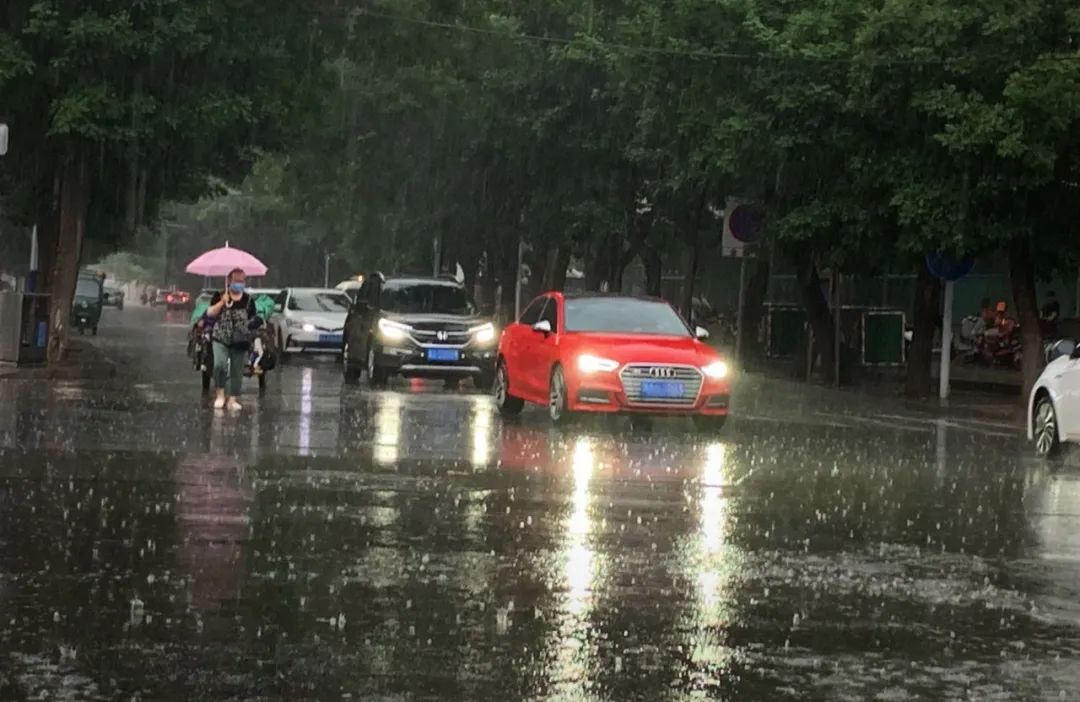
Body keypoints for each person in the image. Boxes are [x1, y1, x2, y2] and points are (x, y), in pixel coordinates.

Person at [205, 268, 261, 411]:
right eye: (236, 281)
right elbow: (210, 313)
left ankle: (233, 399)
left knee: (237, 370)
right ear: (229, 280)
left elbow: (253, 320)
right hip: (220, 337)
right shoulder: (219, 295)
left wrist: (255, 338)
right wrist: (222, 303)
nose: (239, 284)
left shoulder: (248, 300)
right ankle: (220, 395)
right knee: (219, 365)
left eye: (242, 281)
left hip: (240, 339)